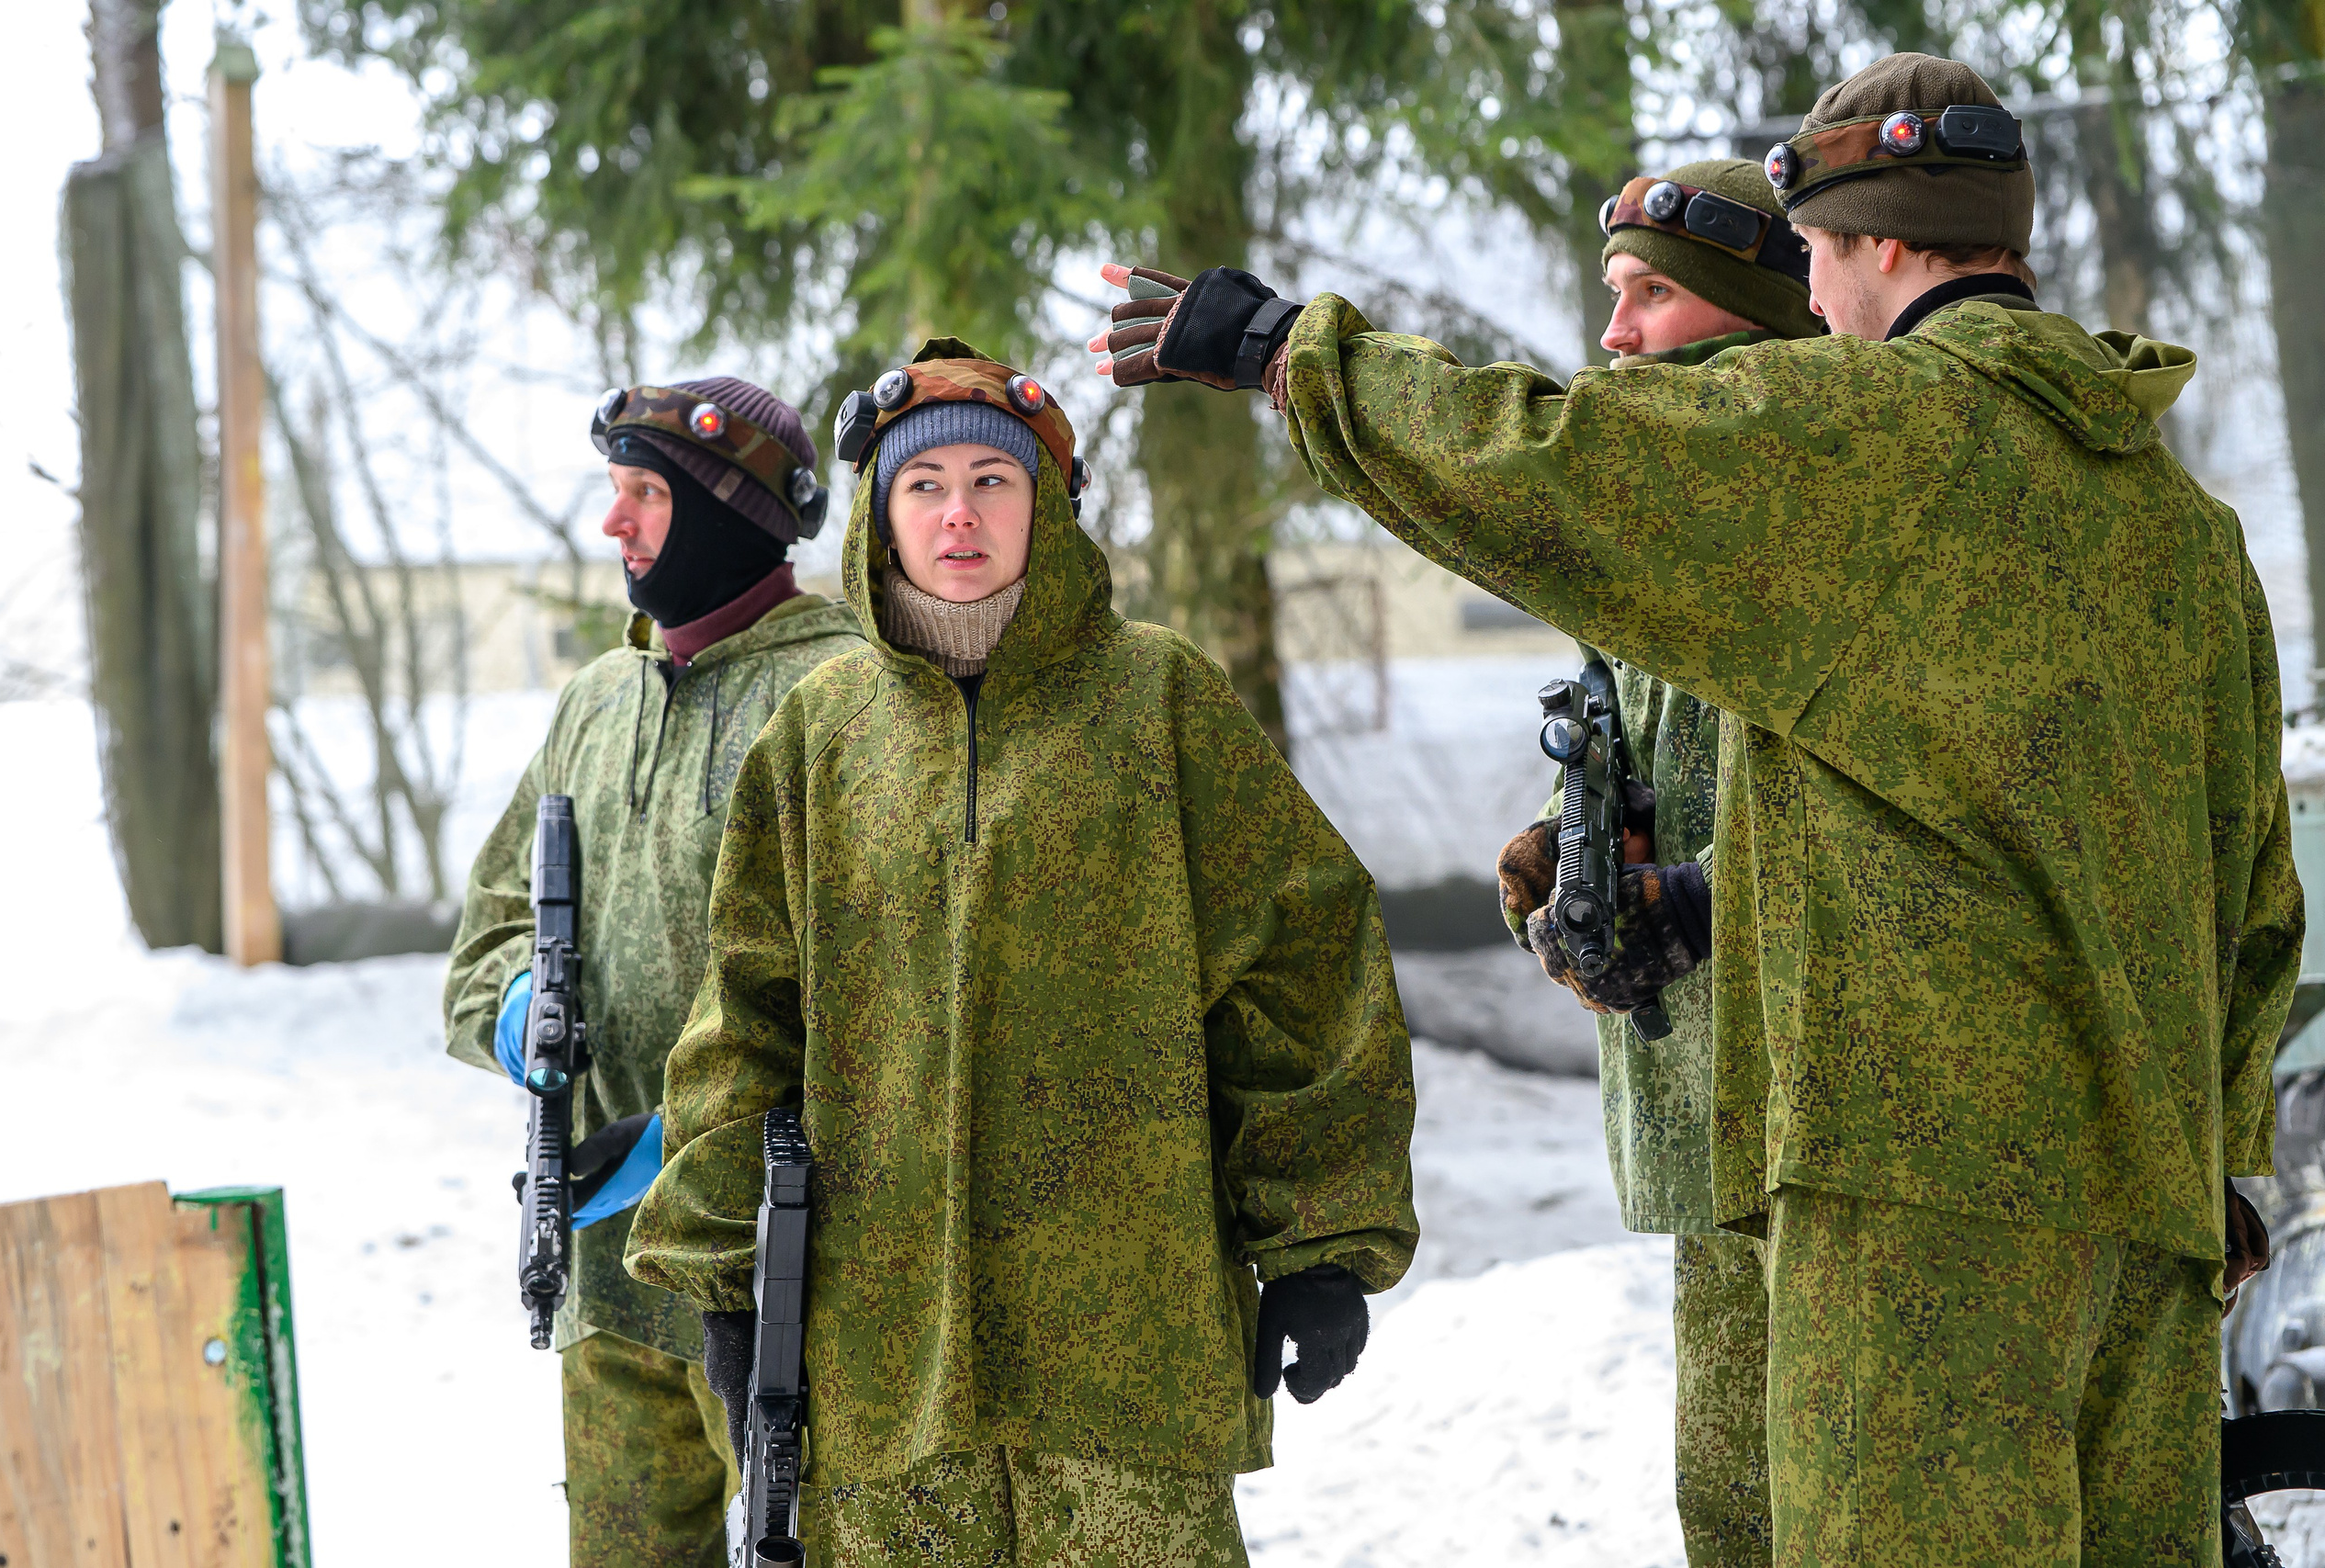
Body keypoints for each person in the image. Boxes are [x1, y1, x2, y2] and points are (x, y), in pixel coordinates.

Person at [1092, 52, 2301, 1567]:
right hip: (2149, 1208)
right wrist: (2226, 1169)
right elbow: (2253, 886)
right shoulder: (2185, 531)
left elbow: (1556, 462)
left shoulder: (1877, 434)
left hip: (1920, 1197)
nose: (1809, 283)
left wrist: (1291, 354)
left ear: (1873, 244)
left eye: (1811, 252)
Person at [624, 341, 1418, 1566]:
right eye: (923, 484)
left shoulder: (1161, 703)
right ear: (882, 516)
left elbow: (1302, 970)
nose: (959, 514)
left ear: (1045, 502)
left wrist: (1319, 1244)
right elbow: (745, 1018)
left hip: (1130, 1357)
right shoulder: (819, 738)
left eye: (992, 483)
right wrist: (730, 1285)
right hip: (883, 1366)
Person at [444, 376, 866, 1564]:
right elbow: (488, 930)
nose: (613, 525)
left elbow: (881, 1008)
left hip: (775, 1274)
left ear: (732, 514)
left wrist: (676, 1147)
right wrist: (520, 1006)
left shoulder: (842, 697)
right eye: (615, 491)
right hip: (604, 1276)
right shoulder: (596, 700)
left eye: (642, 495)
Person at [1490, 155, 1823, 1568]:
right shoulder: (1652, 538)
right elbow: (1657, 773)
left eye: (1652, 296)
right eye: (1608, 298)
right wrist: (1569, 873)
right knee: (1735, 1518)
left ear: (1754, 315)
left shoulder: (1819, 513)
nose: (1615, 336)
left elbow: (1914, 827)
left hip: (1837, 1144)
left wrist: (1709, 901)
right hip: (1708, 1141)